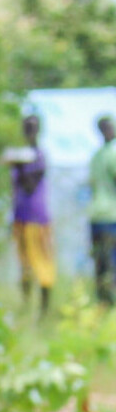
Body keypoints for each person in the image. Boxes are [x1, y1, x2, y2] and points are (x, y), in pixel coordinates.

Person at [8, 113, 54, 317]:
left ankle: (44, 312)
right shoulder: (21, 155)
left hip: (37, 218)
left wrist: (19, 166)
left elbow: (29, 185)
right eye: (26, 126)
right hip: (20, 218)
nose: (29, 130)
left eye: (32, 126)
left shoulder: (38, 156)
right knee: (24, 265)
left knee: (42, 263)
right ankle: (26, 307)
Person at [89, 114, 116, 305]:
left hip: (96, 216)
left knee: (101, 263)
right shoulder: (113, 153)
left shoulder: (96, 155)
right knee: (110, 263)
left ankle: (103, 303)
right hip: (110, 215)